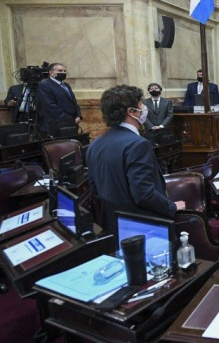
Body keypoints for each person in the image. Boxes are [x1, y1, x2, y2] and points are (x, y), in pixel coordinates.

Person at [86, 85, 185, 234]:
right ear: (131, 112)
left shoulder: (95, 144)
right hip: (142, 227)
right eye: (140, 105)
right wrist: (171, 206)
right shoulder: (138, 144)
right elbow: (143, 194)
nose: (144, 108)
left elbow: (95, 188)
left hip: (112, 224)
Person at [37, 62, 82, 135]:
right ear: (51, 73)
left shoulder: (66, 85)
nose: (63, 73)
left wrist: (78, 115)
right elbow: (51, 106)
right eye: (60, 71)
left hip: (72, 124)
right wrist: (70, 119)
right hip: (58, 125)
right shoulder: (45, 85)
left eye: (64, 71)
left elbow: (74, 103)